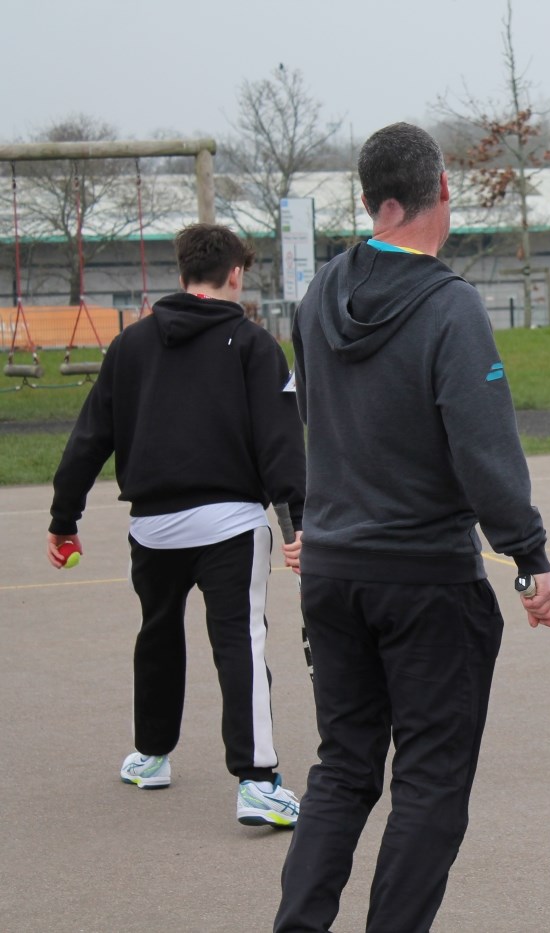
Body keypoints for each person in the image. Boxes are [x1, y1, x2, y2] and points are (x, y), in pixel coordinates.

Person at [274, 122, 550, 933]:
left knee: (343, 768)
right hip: (423, 577)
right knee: (432, 781)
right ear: (442, 189)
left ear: (373, 200)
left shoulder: (315, 295)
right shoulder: (450, 306)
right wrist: (531, 555)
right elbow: (484, 449)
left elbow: (313, 419)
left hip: (334, 570)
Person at [46, 223, 306, 826]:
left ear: (183, 272)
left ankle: (152, 755)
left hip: (152, 528)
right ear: (236, 274)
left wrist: (65, 519)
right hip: (230, 525)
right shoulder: (254, 344)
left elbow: (89, 439)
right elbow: (281, 444)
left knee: (158, 635)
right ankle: (258, 781)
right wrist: (298, 525)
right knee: (240, 643)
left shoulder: (130, 346)